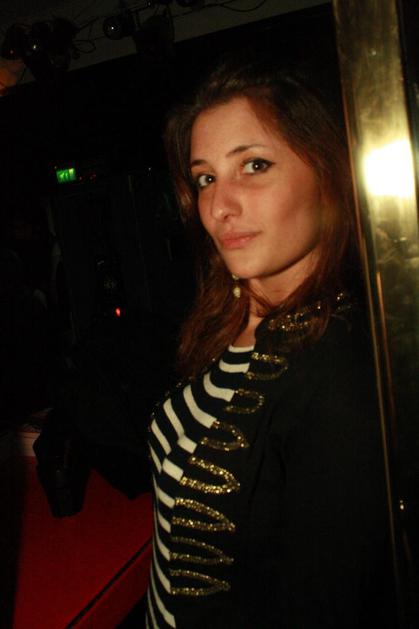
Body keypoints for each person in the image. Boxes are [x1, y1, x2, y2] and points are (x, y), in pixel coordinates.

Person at [146, 54, 395, 628]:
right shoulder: (227, 315)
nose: (219, 206)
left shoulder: (340, 378)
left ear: (327, 175)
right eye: (205, 178)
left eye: (254, 165)